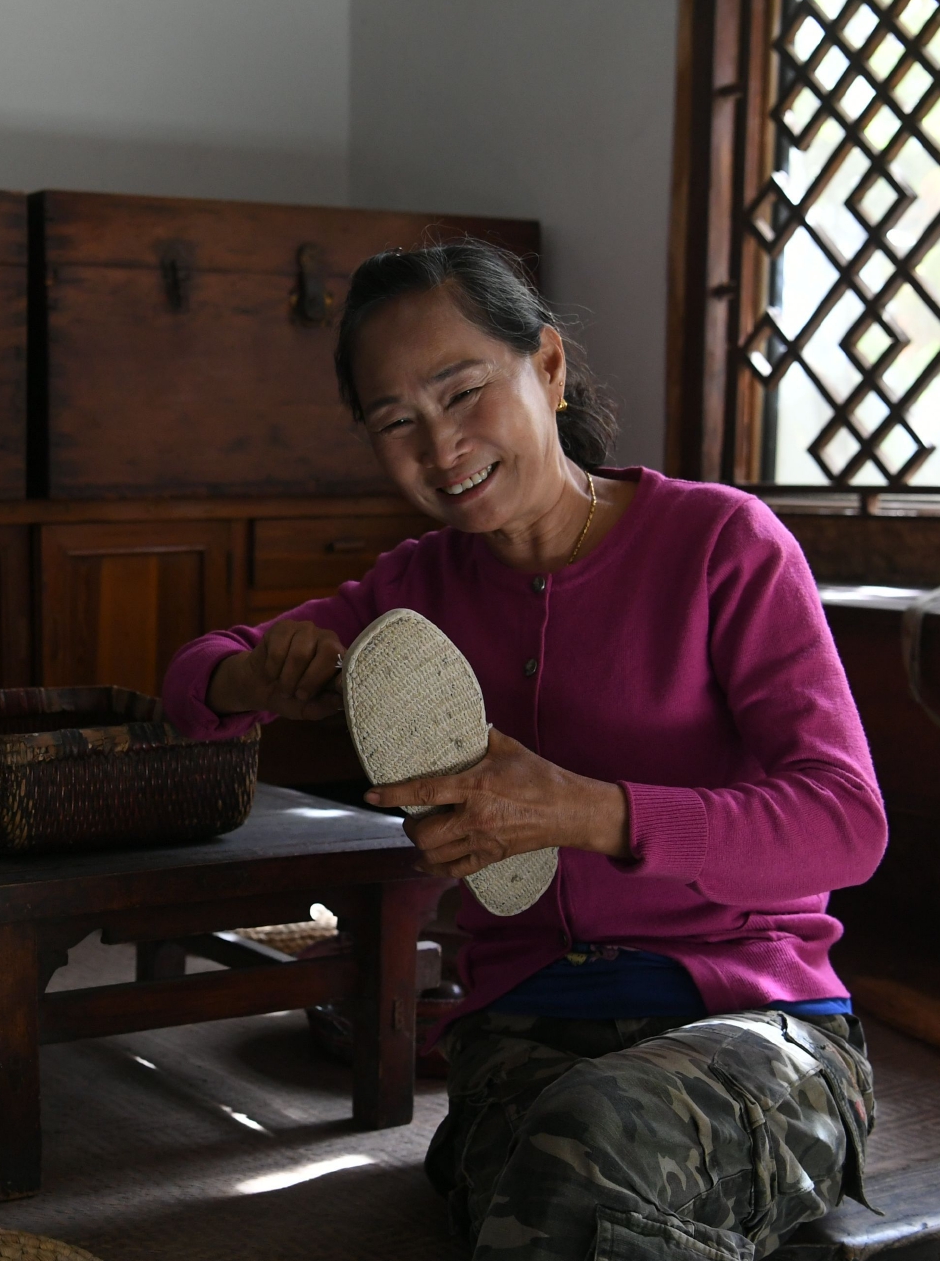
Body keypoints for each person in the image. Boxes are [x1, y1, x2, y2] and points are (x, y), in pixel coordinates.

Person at [161, 239, 885, 1260]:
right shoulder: (414, 591)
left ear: (544, 366)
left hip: (754, 1021)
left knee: (571, 1166)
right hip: (521, 1035)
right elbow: (192, 686)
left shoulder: (722, 544)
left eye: (462, 392)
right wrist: (257, 670)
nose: (438, 444)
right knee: (559, 1190)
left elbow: (842, 825)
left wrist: (584, 809)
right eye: (392, 422)